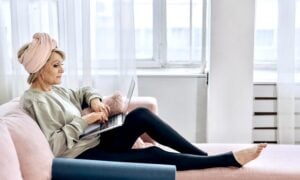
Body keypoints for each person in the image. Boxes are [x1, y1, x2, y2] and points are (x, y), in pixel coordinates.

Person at [18, 33, 267, 171]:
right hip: (84, 156)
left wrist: (93, 100)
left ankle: (200, 155)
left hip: (95, 141)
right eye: (56, 65)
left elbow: (82, 91)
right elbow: (55, 146)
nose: (62, 70)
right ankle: (227, 160)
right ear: (39, 69)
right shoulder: (37, 101)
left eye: (62, 64)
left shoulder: (55, 90)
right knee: (154, 153)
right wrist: (85, 121)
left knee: (139, 116)